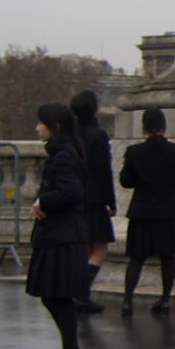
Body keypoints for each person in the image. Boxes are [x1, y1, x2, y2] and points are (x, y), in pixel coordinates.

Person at [26, 103, 92, 349]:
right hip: (62, 234)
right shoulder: (64, 153)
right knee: (55, 297)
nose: (37, 128)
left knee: (56, 297)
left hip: (61, 236)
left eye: (42, 123)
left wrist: (44, 201)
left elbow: (71, 192)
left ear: (56, 127)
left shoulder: (63, 156)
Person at [119, 108, 175, 312]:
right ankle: (165, 299)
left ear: (143, 127)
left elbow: (125, 181)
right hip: (168, 211)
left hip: (141, 211)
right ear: (164, 126)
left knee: (136, 258)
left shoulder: (134, 151)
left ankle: (127, 300)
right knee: (167, 257)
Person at [69, 91, 116, 314]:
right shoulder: (98, 136)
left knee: (85, 246)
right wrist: (111, 201)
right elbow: (104, 172)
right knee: (100, 247)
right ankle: (82, 291)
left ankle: (80, 293)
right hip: (94, 197)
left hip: (74, 197)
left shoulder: (70, 135)